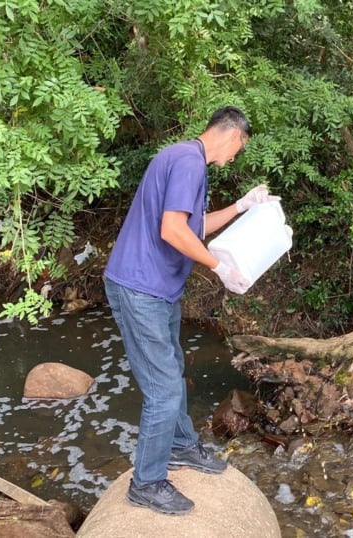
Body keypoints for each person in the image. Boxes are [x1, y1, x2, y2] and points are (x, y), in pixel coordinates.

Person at [103, 106, 278, 515]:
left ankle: (180, 445)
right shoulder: (188, 162)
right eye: (239, 149)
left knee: (173, 370)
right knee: (163, 388)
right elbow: (172, 230)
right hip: (140, 287)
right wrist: (219, 267)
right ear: (233, 135)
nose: (234, 158)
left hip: (156, 288)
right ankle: (146, 483)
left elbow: (193, 225)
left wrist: (241, 206)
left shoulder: (184, 158)